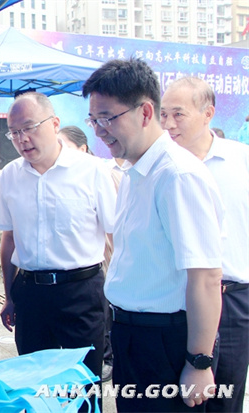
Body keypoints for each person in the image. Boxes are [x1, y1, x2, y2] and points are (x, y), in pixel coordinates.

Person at [82, 58, 224, 412]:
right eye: (93, 120)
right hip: (132, 334)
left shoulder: (177, 176)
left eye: (107, 118)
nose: (99, 131)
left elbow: (206, 277)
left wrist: (199, 362)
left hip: (167, 340)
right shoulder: (135, 171)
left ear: (145, 112)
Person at [0, 92, 116, 390]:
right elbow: (9, 239)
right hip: (31, 294)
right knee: (36, 385)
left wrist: (117, 291)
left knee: (84, 386)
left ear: (54, 123)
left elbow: (114, 236)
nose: (22, 139)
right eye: (14, 132)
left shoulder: (92, 170)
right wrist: (10, 296)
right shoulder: (10, 176)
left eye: (29, 127)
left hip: (81, 292)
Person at [161, 76, 249, 413]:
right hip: (176, 303)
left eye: (178, 114)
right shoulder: (158, 166)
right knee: (176, 399)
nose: (168, 124)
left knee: (226, 397)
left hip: (233, 302)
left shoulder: (241, 161)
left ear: (208, 113)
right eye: (163, 114)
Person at [58, 124, 118, 383]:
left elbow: (114, 232)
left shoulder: (100, 173)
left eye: (65, 146)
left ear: (83, 149)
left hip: (92, 274)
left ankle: (105, 357)